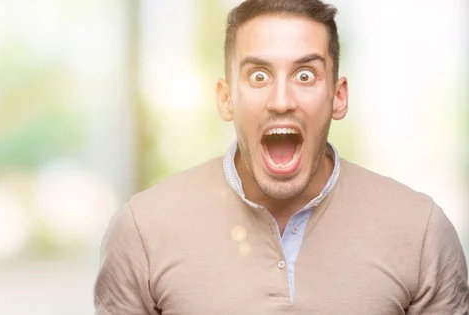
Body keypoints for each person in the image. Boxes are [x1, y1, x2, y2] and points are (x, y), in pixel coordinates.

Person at [93, 0, 469, 313]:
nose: (281, 101)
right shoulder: (142, 231)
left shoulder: (421, 233)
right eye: (258, 76)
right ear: (227, 99)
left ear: (338, 97)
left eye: (305, 75)